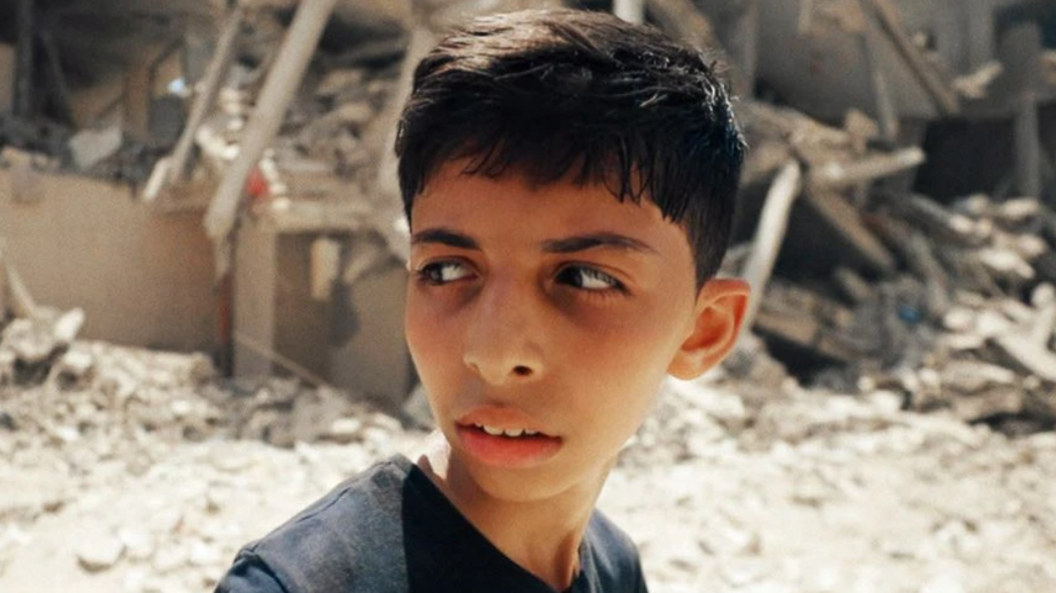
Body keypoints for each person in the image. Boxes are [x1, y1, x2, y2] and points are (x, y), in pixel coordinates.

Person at [215, 7, 748, 593]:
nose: (494, 354)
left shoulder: (613, 567)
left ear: (704, 332)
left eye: (585, 278)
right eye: (446, 270)